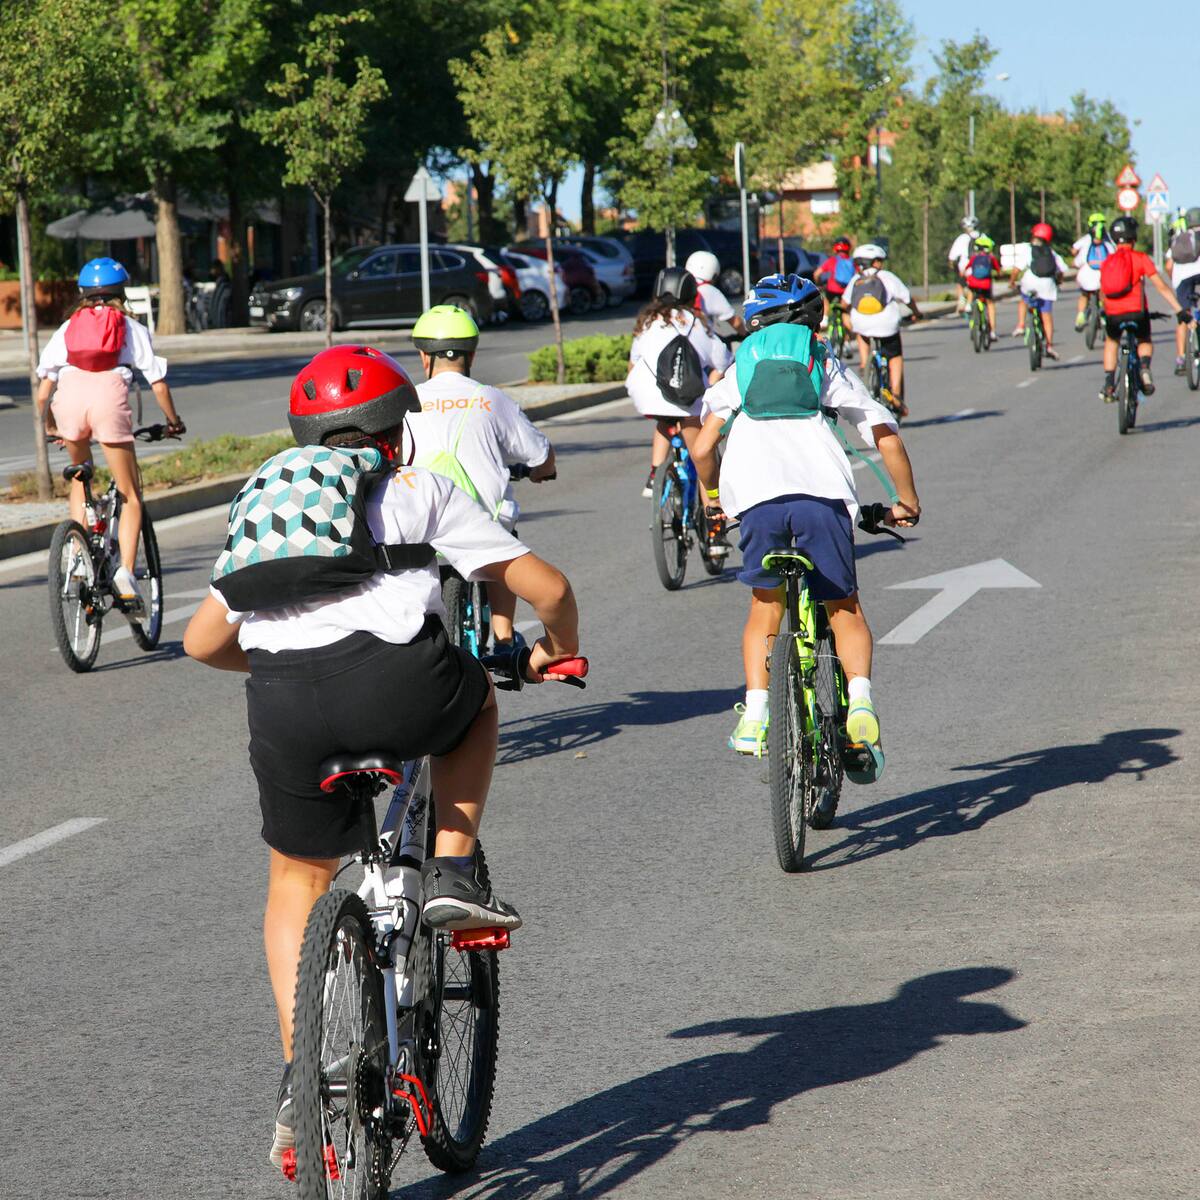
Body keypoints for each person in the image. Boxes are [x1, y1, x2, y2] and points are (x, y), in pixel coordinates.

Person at [182, 344, 581, 1173]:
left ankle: (302, 1075)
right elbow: (546, 588)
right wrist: (556, 648)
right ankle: (453, 876)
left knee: (296, 879)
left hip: (284, 706)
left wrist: (282, 665)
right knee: (477, 703)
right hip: (398, 685)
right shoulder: (417, 490)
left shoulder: (269, 508)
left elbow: (201, 642)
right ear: (396, 435)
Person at [690, 274, 920, 788]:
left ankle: (756, 714)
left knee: (765, 607)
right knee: (844, 608)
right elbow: (885, 436)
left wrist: (714, 498)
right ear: (812, 320)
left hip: (756, 502)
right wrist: (906, 502)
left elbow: (703, 448)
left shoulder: (740, 370)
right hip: (822, 496)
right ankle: (860, 704)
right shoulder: (823, 362)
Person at [35, 257, 185, 604]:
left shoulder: (67, 328)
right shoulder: (131, 327)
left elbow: (43, 393)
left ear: (83, 292)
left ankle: (77, 557)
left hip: (68, 400)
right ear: (122, 292)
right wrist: (173, 421)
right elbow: (158, 384)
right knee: (130, 493)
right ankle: (125, 574)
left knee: (79, 478)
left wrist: (51, 426)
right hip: (109, 401)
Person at [406, 304, 556, 648]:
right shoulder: (491, 400)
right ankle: (504, 637)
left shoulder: (406, 402)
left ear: (424, 356)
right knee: (503, 541)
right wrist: (542, 471)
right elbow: (540, 454)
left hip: (421, 525)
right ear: (471, 354)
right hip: (483, 523)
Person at [628, 266, 731, 498]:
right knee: (701, 456)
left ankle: (655, 474)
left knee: (664, 418)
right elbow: (722, 361)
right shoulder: (695, 322)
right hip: (685, 397)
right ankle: (713, 510)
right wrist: (713, 381)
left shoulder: (647, 321)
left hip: (648, 397)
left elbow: (632, 364)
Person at [1097, 215, 1191, 400]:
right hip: (1137, 313)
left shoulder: (1107, 261)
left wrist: (1104, 310)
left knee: (1112, 341)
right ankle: (1145, 369)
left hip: (1113, 314)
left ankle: (1108, 383)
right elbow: (1161, 286)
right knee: (1144, 339)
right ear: (1134, 237)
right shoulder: (1140, 258)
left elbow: (1102, 291)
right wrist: (1179, 310)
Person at [842, 243, 923, 417]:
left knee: (862, 332)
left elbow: (844, 303)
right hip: (886, 324)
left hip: (861, 324)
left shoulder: (855, 280)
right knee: (895, 356)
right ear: (875, 262)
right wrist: (917, 313)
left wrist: (847, 317)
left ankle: (864, 362)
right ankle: (896, 396)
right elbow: (907, 298)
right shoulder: (887, 277)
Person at [1012, 223, 1066, 358]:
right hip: (1047, 286)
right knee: (1047, 316)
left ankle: (1021, 325)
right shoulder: (1052, 253)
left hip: (1030, 283)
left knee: (1024, 299)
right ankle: (1049, 346)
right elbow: (1062, 270)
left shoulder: (1028, 251)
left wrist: (1011, 282)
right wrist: (1059, 281)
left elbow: (1016, 270)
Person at [1166, 206, 1200, 374]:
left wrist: (1174, 281)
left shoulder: (1178, 239)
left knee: (1183, 318)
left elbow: (1168, 265)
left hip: (1182, 279)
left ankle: (1180, 359)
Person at [685, 250, 744, 336]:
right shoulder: (709, 290)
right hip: (699, 338)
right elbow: (735, 322)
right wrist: (746, 335)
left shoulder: (681, 286)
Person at [1072, 213, 1114, 331]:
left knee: (1084, 294)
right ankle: (1104, 315)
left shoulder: (1086, 240)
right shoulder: (1109, 242)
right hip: (1103, 276)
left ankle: (1080, 316)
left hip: (1086, 277)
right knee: (1105, 295)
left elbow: (1074, 253)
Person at [963, 233, 1000, 343]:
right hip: (986, 284)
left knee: (971, 287)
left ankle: (968, 305)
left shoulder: (974, 258)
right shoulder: (991, 258)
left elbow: (966, 269)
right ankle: (992, 332)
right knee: (990, 304)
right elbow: (998, 271)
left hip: (974, 283)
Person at [812, 237, 856, 324]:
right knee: (846, 311)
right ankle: (849, 329)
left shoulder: (832, 260)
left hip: (832, 291)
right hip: (847, 292)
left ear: (835, 249)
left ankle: (824, 320)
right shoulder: (853, 262)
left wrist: (819, 284)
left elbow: (816, 274)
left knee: (825, 301)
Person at [948, 217, 979, 313]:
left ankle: (961, 300)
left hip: (964, 266)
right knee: (973, 286)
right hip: (979, 265)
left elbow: (952, 256)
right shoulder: (982, 236)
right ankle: (969, 304)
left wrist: (953, 267)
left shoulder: (962, 238)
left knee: (960, 283)